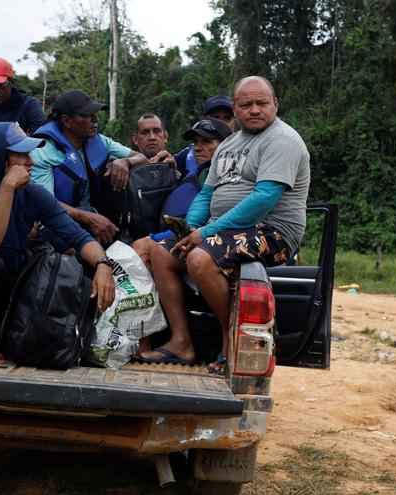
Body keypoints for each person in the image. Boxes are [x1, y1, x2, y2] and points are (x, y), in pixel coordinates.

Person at [134, 76, 309, 368]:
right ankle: (182, 342)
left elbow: (263, 199)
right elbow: (206, 194)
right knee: (161, 252)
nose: (254, 109)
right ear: (236, 109)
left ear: (275, 104)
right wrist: (188, 230)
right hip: (223, 230)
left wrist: (205, 233)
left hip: (272, 231)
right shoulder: (229, 145)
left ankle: (233, 342)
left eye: (262, 103)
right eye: (246, 104)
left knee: (200, 258)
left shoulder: (283, 141)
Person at [0, 122, 115, 360]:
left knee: (67, 262)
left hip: (10, 295)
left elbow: (78, 237)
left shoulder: (33, 194)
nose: (31, 162)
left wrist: (103, 265)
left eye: (30, 154)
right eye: (22, 155)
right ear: (0, 160)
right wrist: (6, 186)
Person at [30, 89, 148, 244]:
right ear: (67, 121)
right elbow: (45, 204)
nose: (95, 119)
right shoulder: (43, 151)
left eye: (94, 114)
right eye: (86, 115)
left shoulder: (100, 141)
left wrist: (125, 162)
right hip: (55, 221)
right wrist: (89, 218)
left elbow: (141, 157)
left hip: (95, 214)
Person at [131, 116, 232, 269]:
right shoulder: (196, 169)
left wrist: (153, 238)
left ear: (225, 146)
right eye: (195, 142)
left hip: (191, 237)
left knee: (141, 247)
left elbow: (204, 221)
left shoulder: (223, 173)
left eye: (206, 142)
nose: (197, 147)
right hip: (172, 232)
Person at [174, 94, 236, 179]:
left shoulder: (248, 150)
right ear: (203, 120)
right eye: (216, 118)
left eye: (227, 118)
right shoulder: (189, 154)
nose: (222, 123)